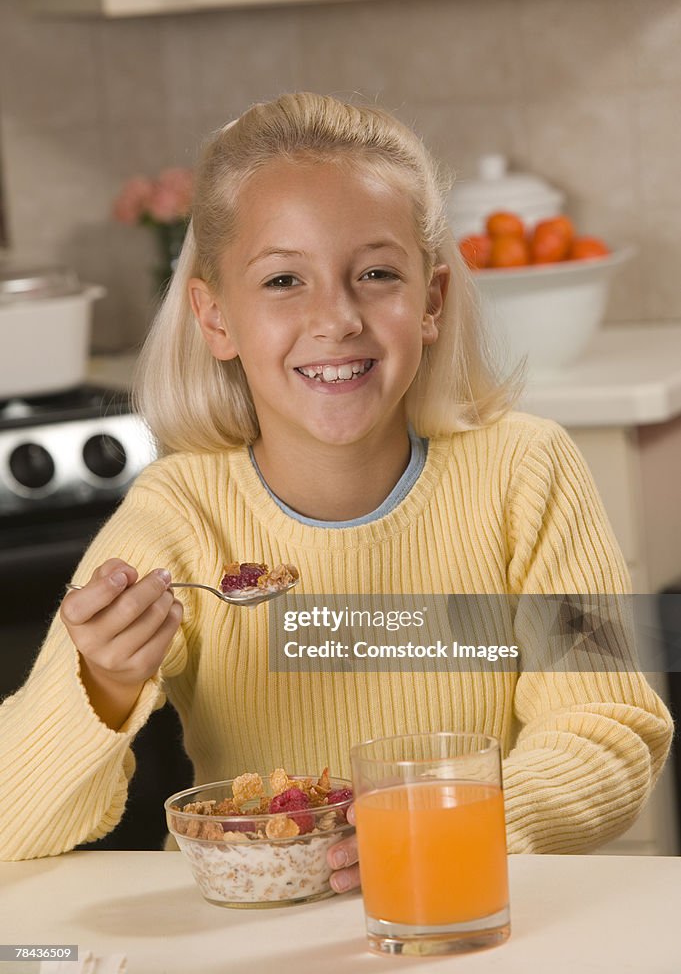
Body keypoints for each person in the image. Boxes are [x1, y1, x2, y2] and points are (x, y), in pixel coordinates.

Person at [0, 93, 672, 885]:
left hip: (461, 903)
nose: (337, 318)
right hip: (248, 927)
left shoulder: (526, 472)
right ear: (215, 319)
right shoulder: (179, 518)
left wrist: (453, 821)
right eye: (284, 279)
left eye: (377, 274)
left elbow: (607, 728)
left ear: (431, 301)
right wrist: (101, 683)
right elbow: (14, 824)